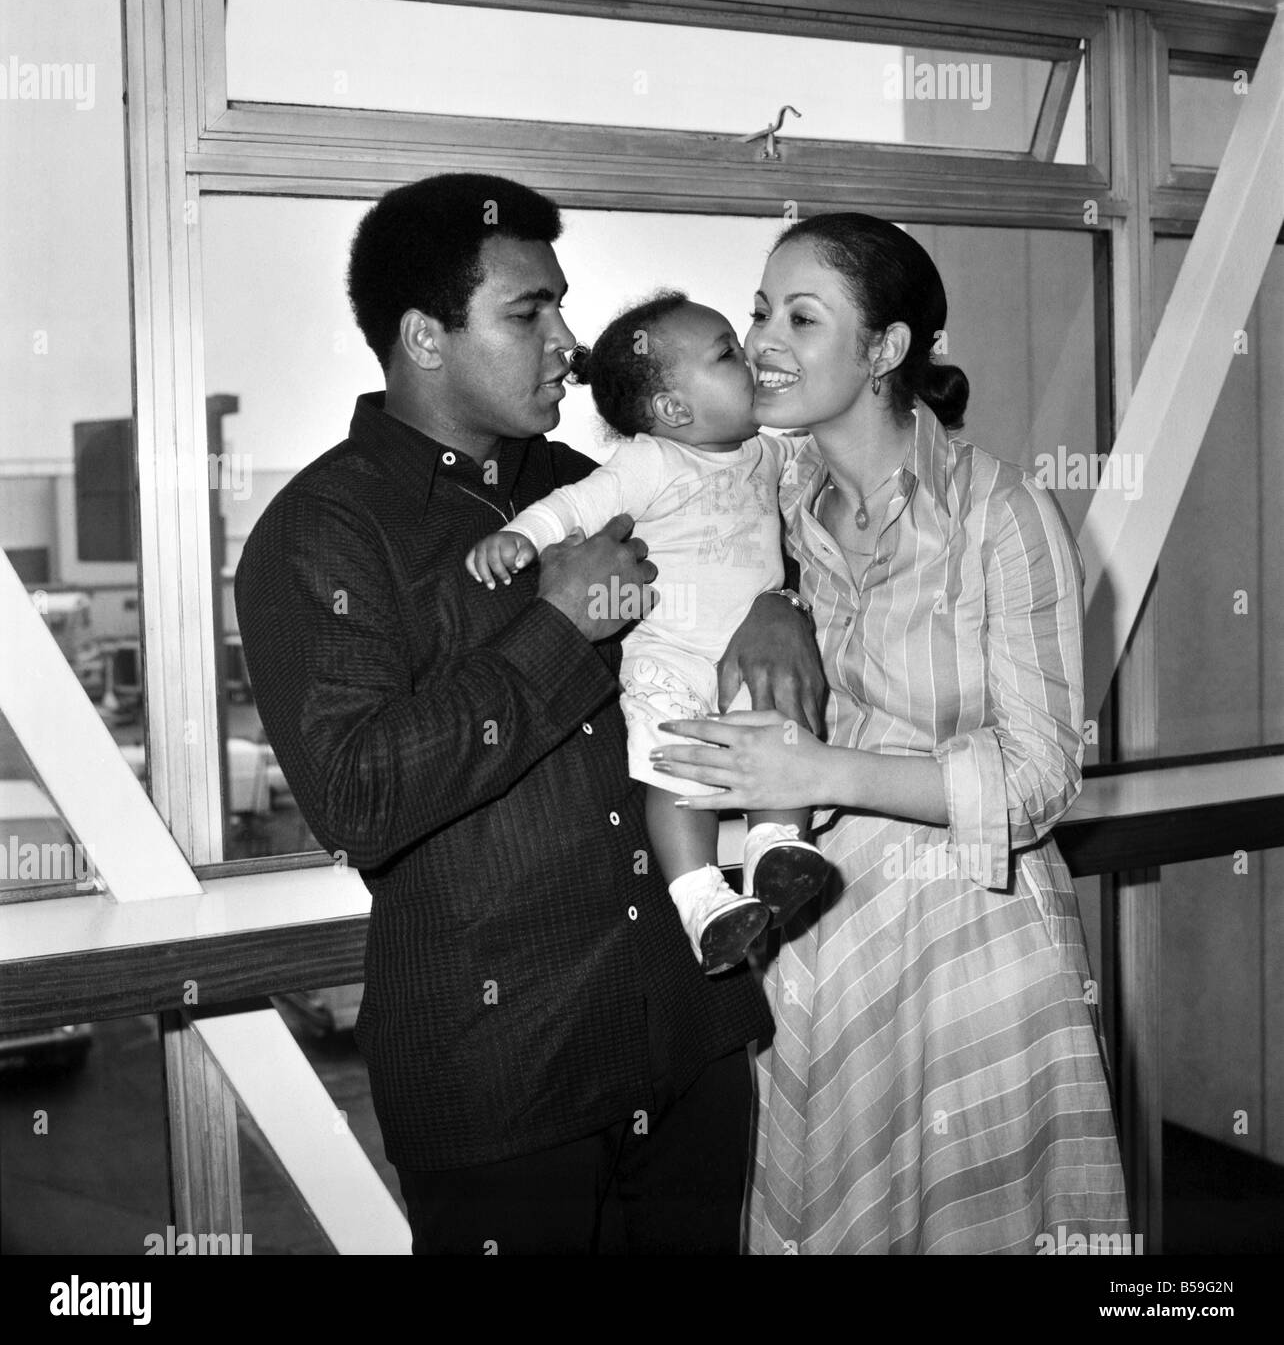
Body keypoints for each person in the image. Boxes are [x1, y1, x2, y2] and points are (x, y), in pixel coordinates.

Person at [233, 174, 828, 1255]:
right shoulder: (319, 533)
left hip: (686, 1035)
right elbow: (362, 798)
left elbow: (734, 546)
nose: (569, 340)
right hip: (505, 1080)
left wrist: (781, 605)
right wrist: (557, 625)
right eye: (529, 313)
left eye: (561, 303)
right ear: (423, 335)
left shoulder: (592, 477)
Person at [651, 212, 1131, 1254]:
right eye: (761, 311)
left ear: (886, 349)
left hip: (973, 941)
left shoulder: (1001, 512)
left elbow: (1043, 777)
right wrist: (771, 597)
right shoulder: (760, 504)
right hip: (818, 944)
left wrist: (820, 769)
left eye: (803, 316)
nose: (766, 339)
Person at [466, 292, 831, 978]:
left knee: (781, 742)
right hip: (670, 657)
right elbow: (576, 506)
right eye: (727, 352)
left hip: (746, 659)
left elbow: (826, 477)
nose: (750, 357)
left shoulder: (768, 455)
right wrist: (520, 537)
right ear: (673, 410)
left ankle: (776, 848)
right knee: (676, 778)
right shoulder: (651, 462)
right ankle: (699, 899)